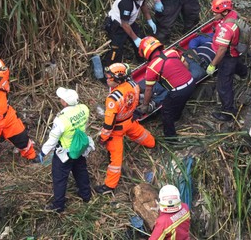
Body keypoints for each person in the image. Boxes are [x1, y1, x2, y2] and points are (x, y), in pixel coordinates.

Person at [97, 63, 155, 194]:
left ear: (118, 79)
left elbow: (108, 123)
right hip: (130, 120)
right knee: (143, 136)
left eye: (109, 77)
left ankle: (109, 186)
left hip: (117, 130)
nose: (107, 79)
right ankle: (153, 144)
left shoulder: (113, 98)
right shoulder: (134, 85)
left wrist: (103, 138)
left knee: (115, 160)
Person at [41, 87, 94, 213]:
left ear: (64, 102)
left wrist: (43, 152)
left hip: (65, 153)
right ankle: (86, 195)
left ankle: (58, 205)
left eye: (61, 99)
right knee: (81, 170)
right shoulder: (84, 109)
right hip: (80, 148)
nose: (60, 100)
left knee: (59, 178)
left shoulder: (61, 119)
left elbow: (53, 139)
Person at [138, 36, 195, 137]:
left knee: (166, 111)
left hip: (179, 90)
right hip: (191, 82)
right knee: (180, 101)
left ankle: (170, 137)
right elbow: (186, 65)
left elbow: (148, 90)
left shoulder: (151, 67)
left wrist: (145, 105)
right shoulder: (172, 51)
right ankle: (177, 117)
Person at [205, 0, 249, 122]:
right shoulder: (233, 15)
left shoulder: (226, 29)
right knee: (237, 65)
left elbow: (222, 50)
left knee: (223, 86)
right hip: (234, 52)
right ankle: (244, 72)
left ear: (224, 12)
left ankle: (228, 112)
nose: (214, 15)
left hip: (228, 56)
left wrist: (213, 64)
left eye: (216, 13)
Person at [101, 0, 156, 67]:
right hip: (117, 25)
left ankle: (143, 60)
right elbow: (124, 24)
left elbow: (143, 4)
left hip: (129, 22)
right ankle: (110, 71)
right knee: (116, 50)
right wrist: (135, 39)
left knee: (142, 41)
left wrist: (149, 20)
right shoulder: (126, 3)